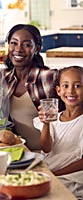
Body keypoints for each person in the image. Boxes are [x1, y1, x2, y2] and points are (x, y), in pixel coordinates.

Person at [0, 24, 63, 151]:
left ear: (37, 48)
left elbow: (75, 103)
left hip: (50, 154)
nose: (18, 49)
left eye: (27, 44)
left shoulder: (49, 77)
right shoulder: (3, 77)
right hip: (17, 151)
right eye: (14, 43)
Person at [33, 66, 83, 198]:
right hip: (50, 171)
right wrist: (46, 124)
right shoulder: (55, 118)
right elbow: (46, 148)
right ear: (58, 91)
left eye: (77, 86)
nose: (71, 91)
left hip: (72, 179)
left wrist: (55, 174)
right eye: (65, 86)